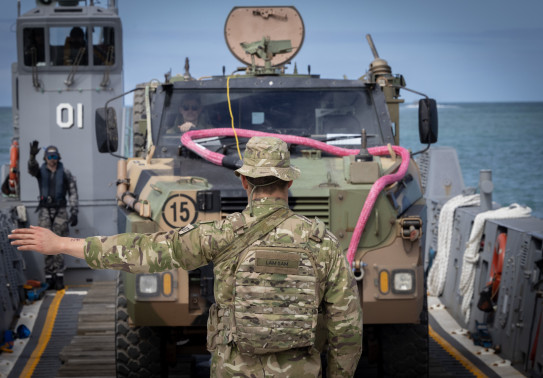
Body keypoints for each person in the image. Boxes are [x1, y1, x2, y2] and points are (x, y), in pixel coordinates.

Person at [11, 136, 362, 376]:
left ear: (244, 182)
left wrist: (62, 245)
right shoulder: (323, 242)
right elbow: (347, 328)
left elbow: (144, 252)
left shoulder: (221, 234)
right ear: (288, 184)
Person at [27, 141, 79, 290]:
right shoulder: (39, 171)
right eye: (49, 156)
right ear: (45, 157)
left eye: (54, 155)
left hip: (60, 212)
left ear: (58, 157)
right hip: (44, 212)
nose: (52, 158)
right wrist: (32, 156)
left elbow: (73, 192)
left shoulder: (66, 173)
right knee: (44, 243)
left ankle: (59, 277)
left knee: (59, 244)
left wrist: (74, 211)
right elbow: (31, 169)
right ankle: (49, 277)